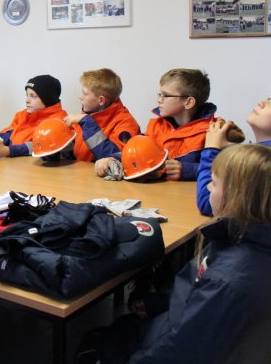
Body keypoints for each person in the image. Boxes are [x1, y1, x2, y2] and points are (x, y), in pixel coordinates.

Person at [77, 144, 271, 362]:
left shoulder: (227, 280)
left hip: (167, 344)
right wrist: (162, 303)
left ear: (238, 198)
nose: (207, 188)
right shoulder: (236, 237)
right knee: (113, 332)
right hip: (170, 323)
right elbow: (197, 292)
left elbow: (181, 351)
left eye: (214, 183)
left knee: (91, 348)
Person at [197, 97, 271, 215]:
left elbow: (207, 204)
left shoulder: (261, 161)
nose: (261, 103)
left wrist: (211, 149)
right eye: (268, 99)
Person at [143, 69, 217, 181]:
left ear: (188, 102)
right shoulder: (155, 126)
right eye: (160, 94)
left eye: (166, 95)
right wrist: (116, 159)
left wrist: (186, 170)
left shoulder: (214, 131)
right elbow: (138, 152)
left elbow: (222, 169)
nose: (159, 100)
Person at [0, 75, 66, 158]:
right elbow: (8, 135)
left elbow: (41, 146)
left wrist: (9, 151)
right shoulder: (22, 115)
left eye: (33, 96)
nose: (27, 100)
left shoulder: (59, 121)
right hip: (14, 166)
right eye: (27, 95)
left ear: (48, 99)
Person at [64, 68, 140, 163]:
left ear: (101, 100)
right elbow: (73, 155)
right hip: (81, 172)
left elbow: (114, 159)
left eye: (85, 93)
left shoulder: (126, 124)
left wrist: (87, 123)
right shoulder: (86, 117)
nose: (80, 97)